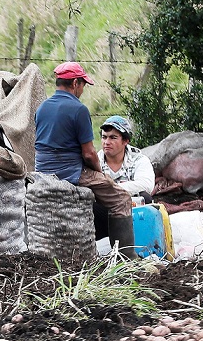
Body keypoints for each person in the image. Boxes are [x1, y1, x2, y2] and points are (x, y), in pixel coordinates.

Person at [34, 62, 136, 256]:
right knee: (122, 199)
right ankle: (127, 259)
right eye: (82, 85)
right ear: (74, 83)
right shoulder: (78, 109)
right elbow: (89, 154)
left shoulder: (42, 107)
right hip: (69, 172)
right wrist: (100, 173)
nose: (82, 90)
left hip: (42, 170)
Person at [94, 114, 156, 243]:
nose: (106, 142)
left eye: (113, 137)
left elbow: (146, 184)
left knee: (145, 198)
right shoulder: (95, 161)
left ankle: (140, 243)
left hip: (130, 209)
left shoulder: (139, 159)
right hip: (105, 212)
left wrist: (111, 190)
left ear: (125, 140)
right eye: (104, 137)